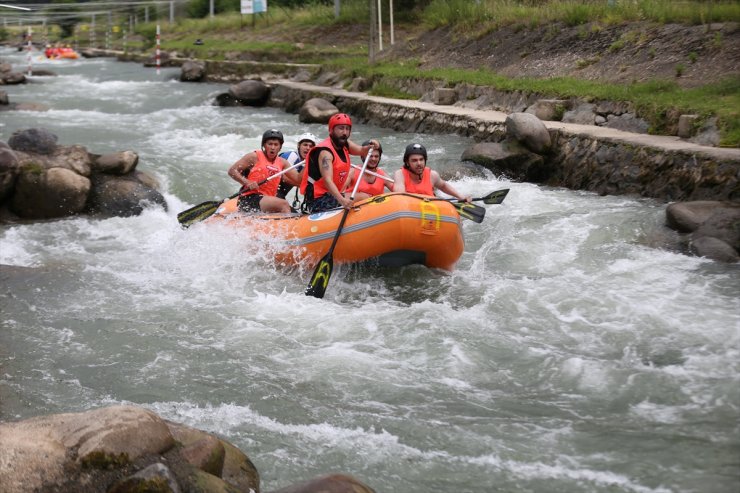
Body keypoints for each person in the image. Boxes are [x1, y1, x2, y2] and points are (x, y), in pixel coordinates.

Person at [299, 113, 379, 213]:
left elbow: (362, 150)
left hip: (332, 195)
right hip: (318, 200)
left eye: (347, 129)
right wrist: (342, 201)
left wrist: (373, 144)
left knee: (364, 197)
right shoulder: (325, 153)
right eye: (341, 128)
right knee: (362, 197)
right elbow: (328, 180)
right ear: (331, 130)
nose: (344, 132)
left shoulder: (345, 143)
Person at [227, 129, 301, 213]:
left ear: (280, 147)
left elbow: (298, 179)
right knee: (283, 204)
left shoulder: (282, 162)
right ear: (264, 145)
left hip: (268, 200)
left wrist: (308, 161)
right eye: (270, 144)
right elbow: (232, 171)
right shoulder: (254, 157)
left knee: (295, 214)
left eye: (276, 144)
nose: (273, 147)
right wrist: (247, 182)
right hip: (250, 198)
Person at [392, 143, 471, 202]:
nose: (419, 163)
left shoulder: (432, 175)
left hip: (430, 210)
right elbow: (400, 196)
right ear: (407, 162)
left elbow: (443, 186)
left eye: (421, 159)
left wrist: (460, 196)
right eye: (414, 160)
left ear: (425, 160)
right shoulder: (400, 174)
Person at [276, 132, 317, 200]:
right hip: (272, 188)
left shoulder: (310, 162)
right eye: (305, 145)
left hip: (281, 192)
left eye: (311, 146)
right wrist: (303, 187)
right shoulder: (292, 156)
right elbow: (284, 178)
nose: (308, 148)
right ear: (299, 145)